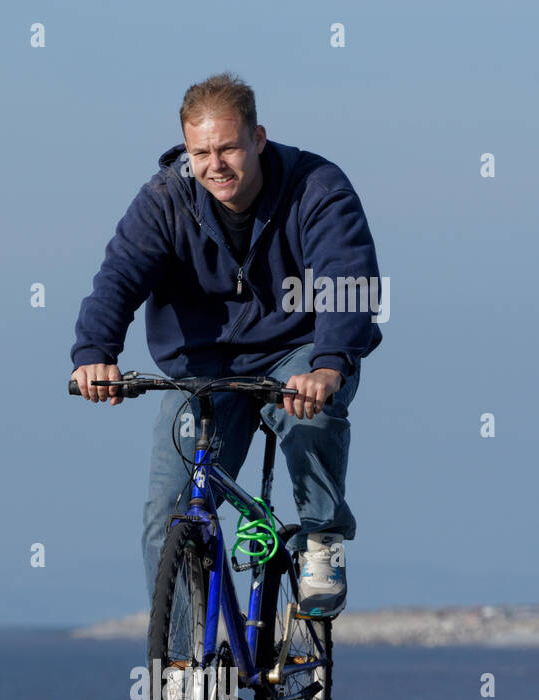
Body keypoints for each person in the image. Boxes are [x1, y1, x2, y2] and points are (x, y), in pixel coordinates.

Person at [70, 72, 382, 622]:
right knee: (168, 516)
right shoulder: (167, 197)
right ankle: (183, 681)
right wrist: (95, 351)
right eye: (201, 152)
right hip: (204, 369)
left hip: (300, 349)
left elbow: (346, 281)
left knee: (309, 411)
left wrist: (330, 365)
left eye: (229, 147)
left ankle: (321, 539)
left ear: (258, 138)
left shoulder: (318, 187)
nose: (215, 164)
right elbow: (119, 276)